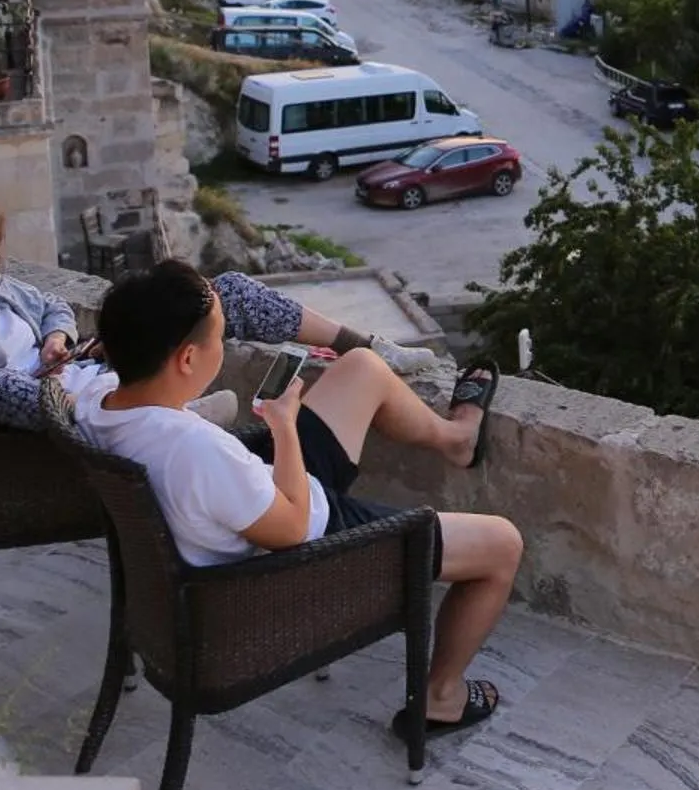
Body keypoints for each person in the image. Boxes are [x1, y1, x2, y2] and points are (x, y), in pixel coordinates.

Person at [81, 262, 519, 739]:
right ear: (187, 359)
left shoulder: (99, 401)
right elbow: (292, 528)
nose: (221, 352)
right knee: (503, 545)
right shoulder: (195, 452)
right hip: (306, 545)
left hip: (255, 498)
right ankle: (443, 698)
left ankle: (457, 439)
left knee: (362, 369)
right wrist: (284, 427)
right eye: (218, 341)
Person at [0, 189, 396, 431]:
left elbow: (52, 303)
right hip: (34, 411)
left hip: (75, 374)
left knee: (217, 293)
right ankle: (172, 416)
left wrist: (56, 340)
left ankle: (364, 344)